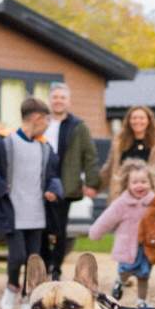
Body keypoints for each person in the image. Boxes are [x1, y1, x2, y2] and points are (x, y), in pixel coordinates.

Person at [0, 97, 63, 309]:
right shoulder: (4, 142)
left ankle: (28, 297)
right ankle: (12, 287)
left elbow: (54, 175)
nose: (47, 125)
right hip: (12, 212)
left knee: (34, 259)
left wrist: (54, 189)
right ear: (35, 118)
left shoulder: (44, 147)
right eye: (46, 120)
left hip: (37, 213)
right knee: (17, 256)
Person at [41, 82, 100, 280]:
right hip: (40, 185)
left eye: (62, 97)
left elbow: (89, 155)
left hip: (65, 185)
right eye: (55, 97)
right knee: (40, 229)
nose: (58, 101)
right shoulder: (41, 122)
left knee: (59, 230)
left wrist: (92, 182)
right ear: (50, 100)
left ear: (68, 101)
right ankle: (43, 266)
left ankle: (56, 269)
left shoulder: (78, 126)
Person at [89, 159, 155, 308]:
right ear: (127, 184)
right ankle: (120, 281)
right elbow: (107, 218)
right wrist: (96, 232)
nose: (140, 186)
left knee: (144, 274)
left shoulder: (154, 202)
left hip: (146, 248)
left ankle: (141, 301)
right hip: (127, 246)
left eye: (144, 182)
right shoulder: (122, 203)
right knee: (126, 271)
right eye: (135, 182)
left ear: (150, 183)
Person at [100, 106, 155, 204]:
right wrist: (94, 187)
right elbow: (110, 168)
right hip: (122, 196)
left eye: (141, 118)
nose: (137, 121)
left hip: (151, 196)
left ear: (149, 120)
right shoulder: (119, 141)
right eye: (134, 118)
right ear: (129, 121)